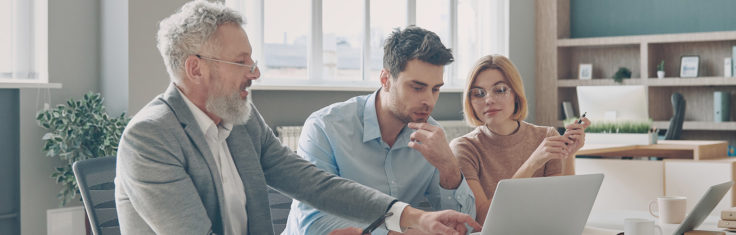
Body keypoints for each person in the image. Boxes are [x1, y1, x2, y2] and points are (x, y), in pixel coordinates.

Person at [114, 1, 481, 235]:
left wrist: (413, 217)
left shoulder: (241, 121)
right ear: (195, 68)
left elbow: (314, 185)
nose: (254, 73)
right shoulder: (150, 137)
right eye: (241, 62)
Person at [283, 26, 476, 235]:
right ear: (385, 79)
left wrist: (449, 168)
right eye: (417, 87)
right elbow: (313, 224)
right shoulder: (325, 127)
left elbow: (464, 227)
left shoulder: (431, 137)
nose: (429, 101)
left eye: (435, 89)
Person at [449, 55, 591, 225]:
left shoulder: (547, 136)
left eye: (500, 90)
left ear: (515, 94)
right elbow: (485, 219)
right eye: (478, 94)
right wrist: (533, 163)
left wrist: (568, 154)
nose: (489, 100)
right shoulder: (464, 148)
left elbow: (564, 210)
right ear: (470, 102)